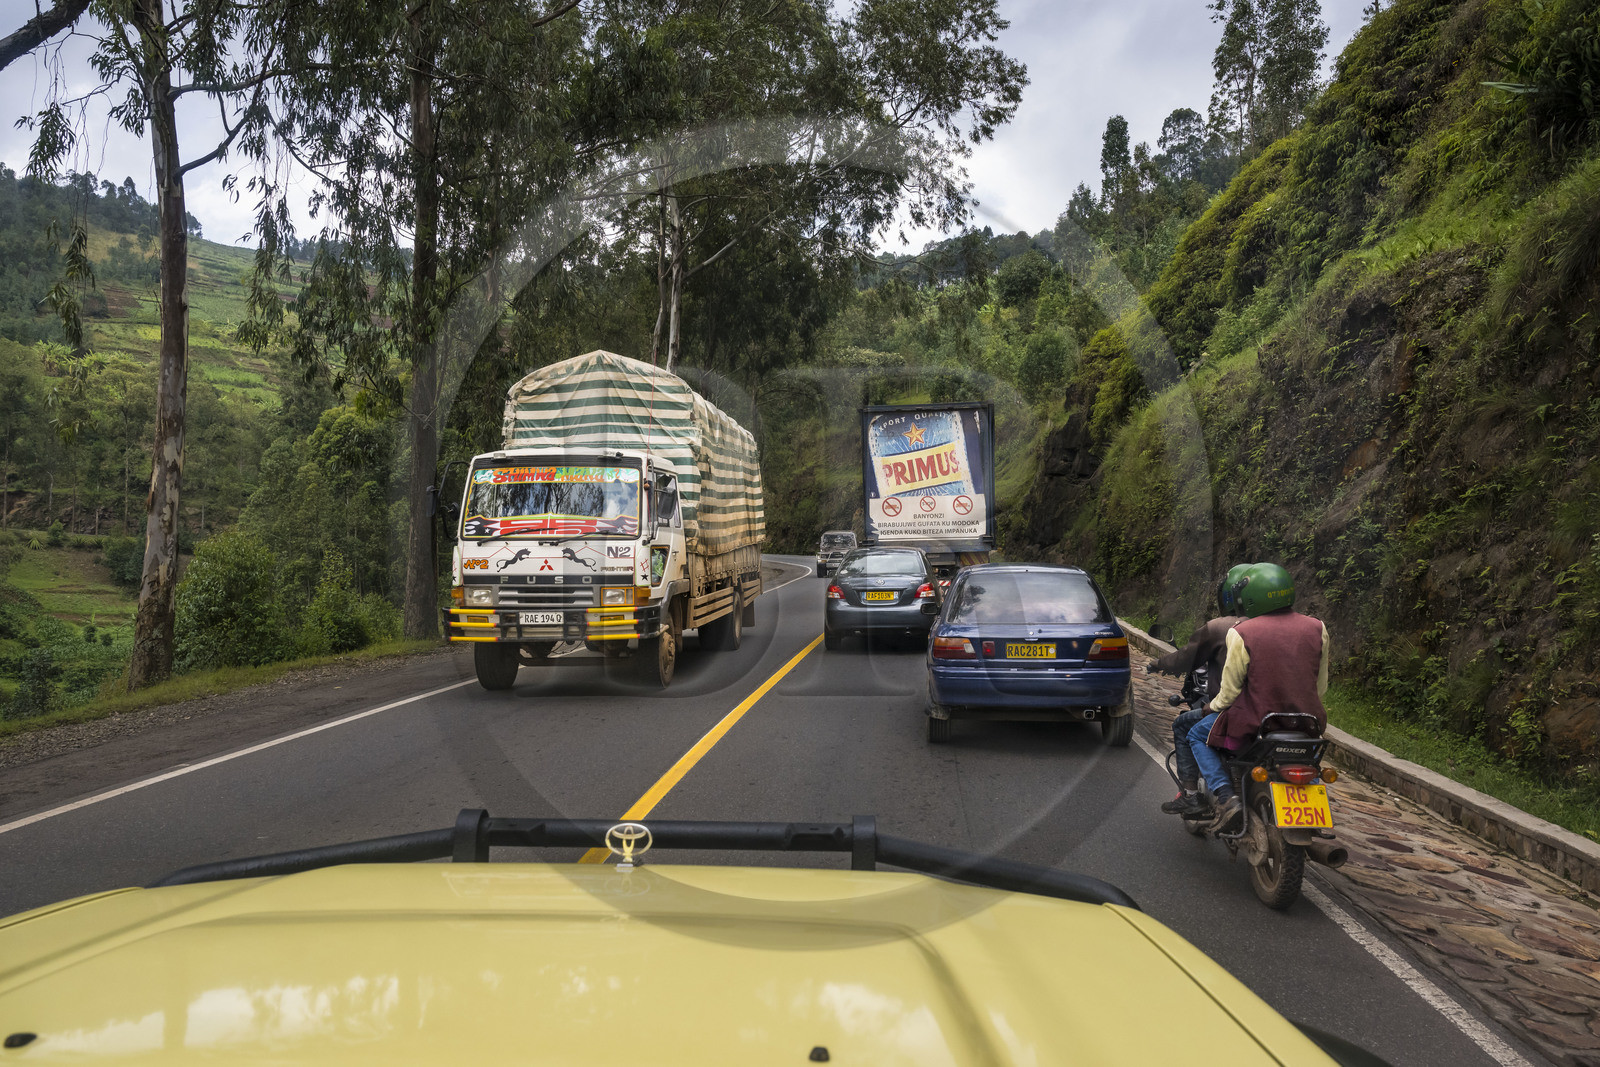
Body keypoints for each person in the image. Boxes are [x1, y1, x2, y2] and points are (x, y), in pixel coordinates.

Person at [1185, 562, 1330, 833]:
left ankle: (1226, 796)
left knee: (1195, 735)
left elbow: (1228, 693)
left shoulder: (1241, 633)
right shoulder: (1317, 627)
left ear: (1248, 599)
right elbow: (1319, 687)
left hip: (1256, 722)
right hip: (1306, 723)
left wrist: (1211, 707)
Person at [1147, 563, 1250, 817]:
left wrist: (1157, 664)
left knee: (1185, 726)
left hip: (1235, 710)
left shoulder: (1221, 627)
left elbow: (1186, 657)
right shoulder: (1288, 627)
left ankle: (1193, 795)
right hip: (1288, 713)